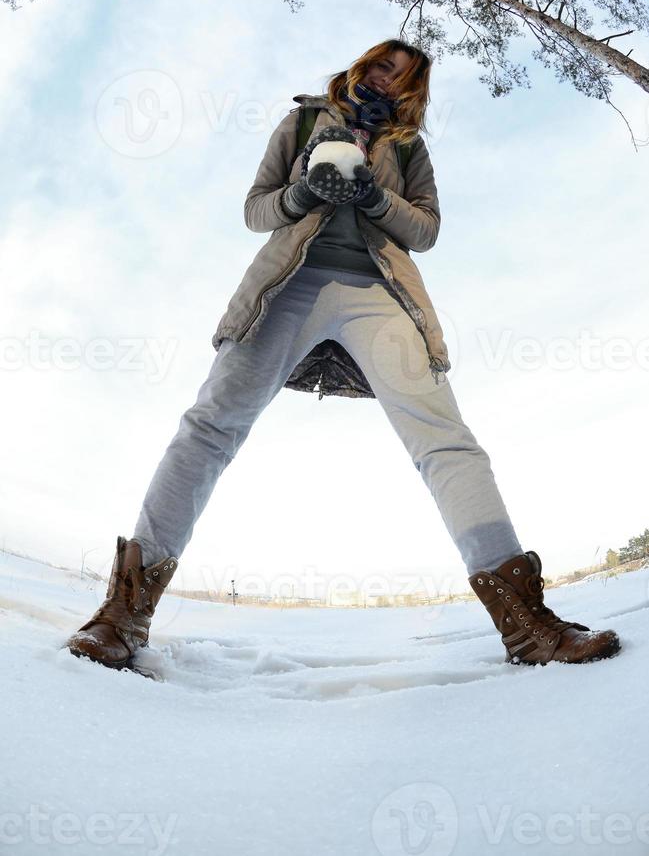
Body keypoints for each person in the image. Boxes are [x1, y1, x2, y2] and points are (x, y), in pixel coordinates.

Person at [65, 38, 621, 671]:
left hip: (378, 293)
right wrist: (306, 192)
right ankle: (122, 616)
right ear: (363, 64)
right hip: (287, 285)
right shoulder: (302, 120)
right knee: (209, 427)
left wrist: (373, 198)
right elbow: (256, 209)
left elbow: (427, 230)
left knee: (445, 439)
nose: (390, 80)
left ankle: (528, 628)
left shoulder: (408, 147)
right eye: (384, 65)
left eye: (405, 76)